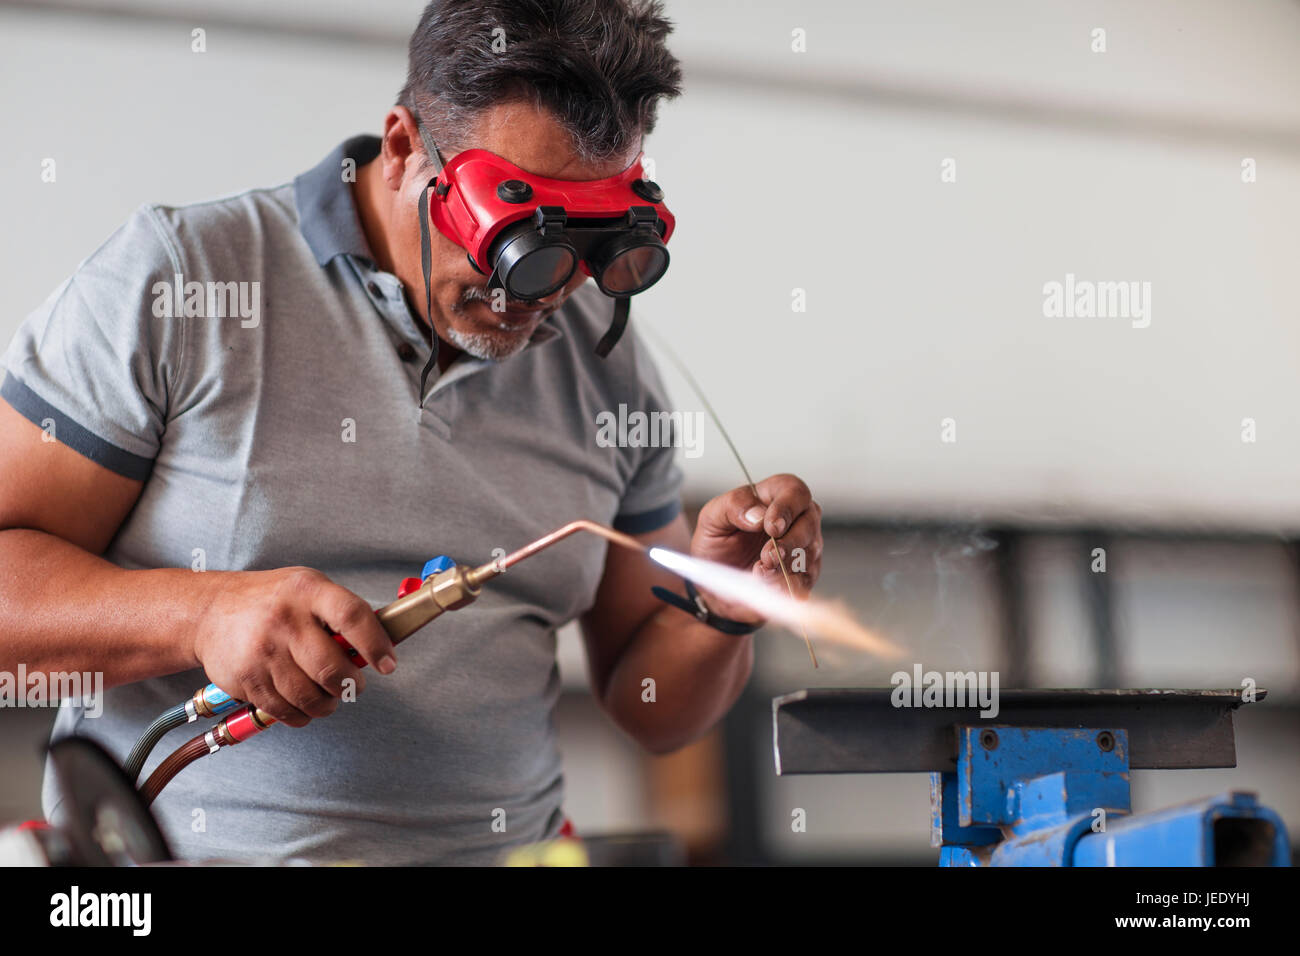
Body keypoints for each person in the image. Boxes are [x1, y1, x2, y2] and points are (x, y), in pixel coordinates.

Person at [0, 0, 822, 864]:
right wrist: (200, 615)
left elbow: (653, 710)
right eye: (521, 243)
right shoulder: (183, 284)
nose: (542, 295)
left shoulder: (603, 367)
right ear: (402, 150)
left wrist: (722, 612)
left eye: (588, 247)